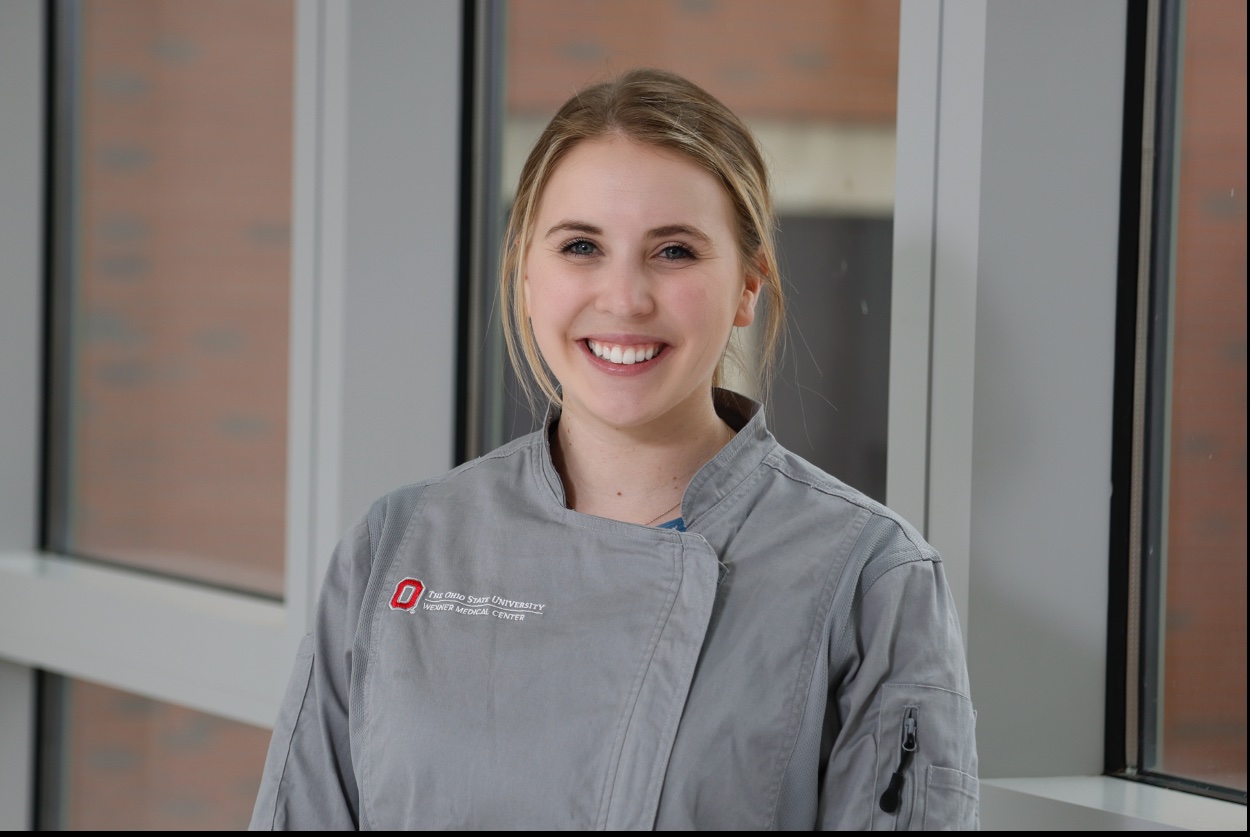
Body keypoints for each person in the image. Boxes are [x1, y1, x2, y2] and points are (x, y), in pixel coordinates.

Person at [249, 68, 978, 830]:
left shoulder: (869, 578)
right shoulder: (396, 548)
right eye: (581, 245)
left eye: (674, 251)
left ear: (747, 286)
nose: (625, 297)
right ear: (527, 274)